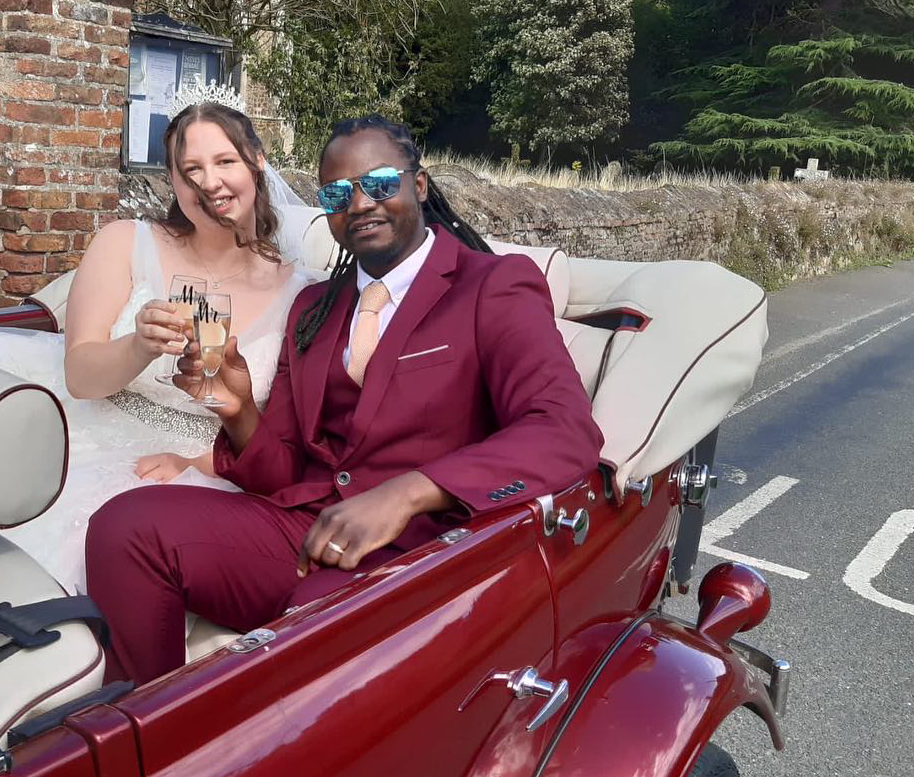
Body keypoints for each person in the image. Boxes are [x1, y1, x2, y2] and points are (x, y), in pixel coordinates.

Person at [83, 116, 605, 684]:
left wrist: (408, 494)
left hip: (419, 551)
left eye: (379, 183)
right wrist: (240, 411)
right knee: (125, 528)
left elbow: (562, 428)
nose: (358, 204)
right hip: (304, 529)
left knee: (312, 635)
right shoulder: (313, 309)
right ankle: (141, 733)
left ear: (420, 185)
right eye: (336, 193)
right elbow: (282, 469)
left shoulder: (492, 286)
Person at [0, 101, 316, 595]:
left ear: (257, 161)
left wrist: (202, 465)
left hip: (195, 456)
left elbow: (283, 437)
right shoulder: (127, 241)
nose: (209, 182)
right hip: (84, 412)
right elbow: (80, 375)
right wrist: (138, 346)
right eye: (190, 169)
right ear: (174, 181)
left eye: (225, 161)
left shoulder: (302, 293)